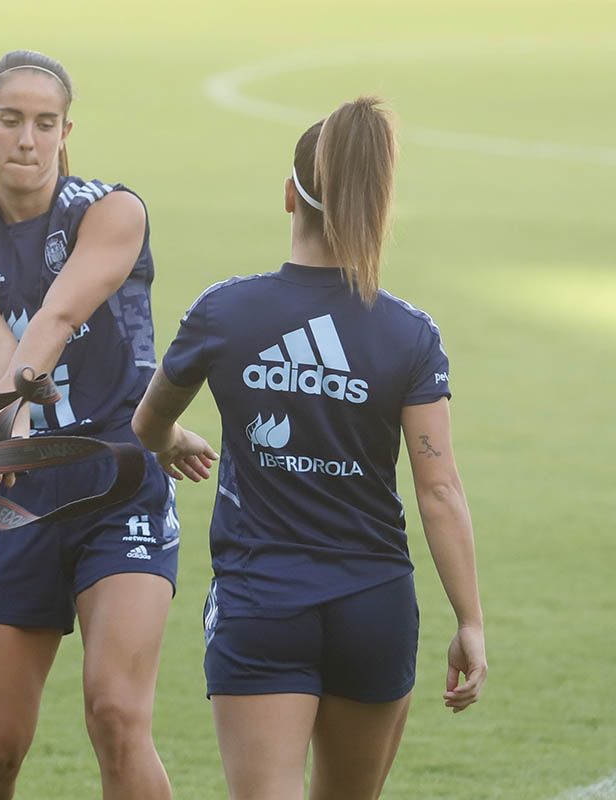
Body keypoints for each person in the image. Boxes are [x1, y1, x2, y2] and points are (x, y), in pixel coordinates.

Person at [131, 97, 488, 800]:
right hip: (375, 606)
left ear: (289, 195)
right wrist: (470, 620)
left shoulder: (225, 312)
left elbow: (145, 426)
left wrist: (172, 439)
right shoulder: (410, 334)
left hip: (262, 604)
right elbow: (439, 489)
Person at [0, 50, 176, 800]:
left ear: (67, 131)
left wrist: (2, 420)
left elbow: (58, 316)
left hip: (118, 484)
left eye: (45, 123)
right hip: (21, 502)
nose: (27, 140)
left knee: (115, 713)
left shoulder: (112, 211)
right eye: (11, 121)